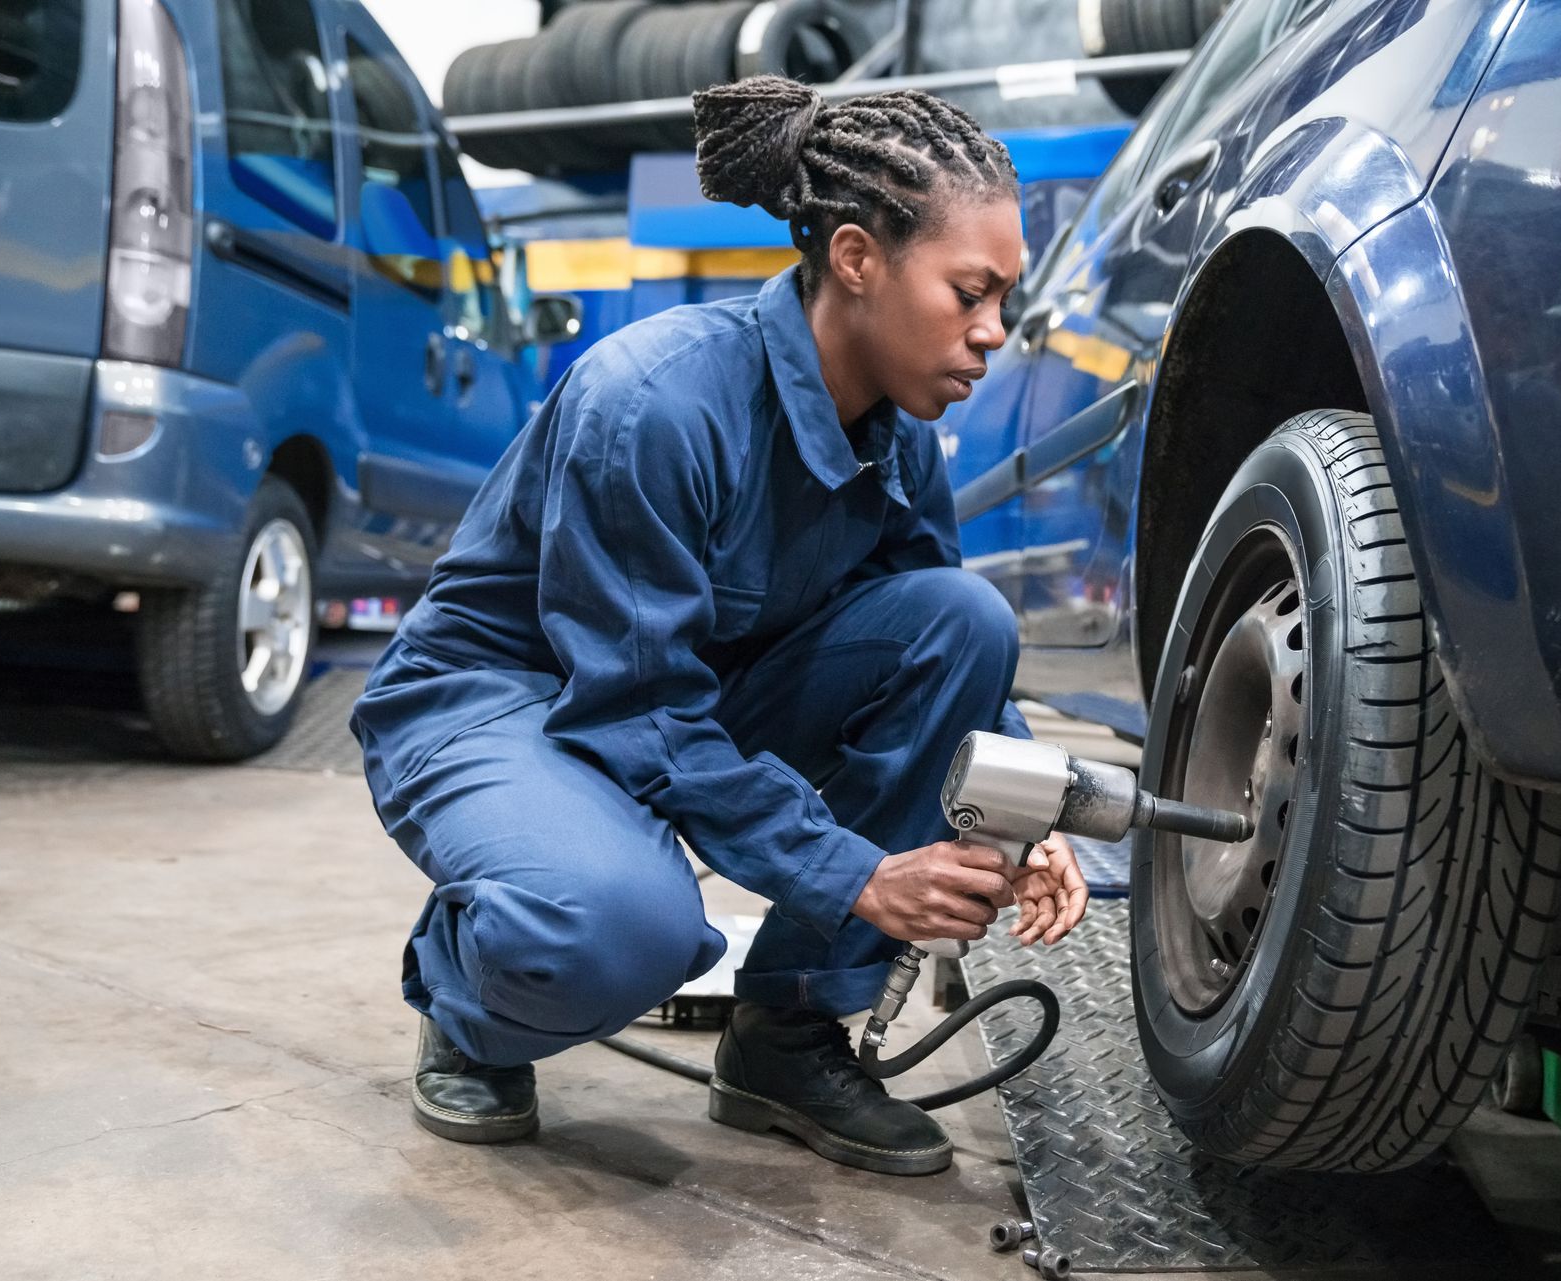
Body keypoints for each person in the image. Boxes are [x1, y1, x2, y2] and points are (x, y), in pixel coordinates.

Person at [350, 75, 1089, 1177]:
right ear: (856, 259)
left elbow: (948, 667)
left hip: (678, 693)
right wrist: (859, 876)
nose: (991, 335)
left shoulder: (898, 437)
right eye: (970, 293)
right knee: (622, 932)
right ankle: (473, 995)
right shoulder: (654, 404)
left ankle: (786, 1033)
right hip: (515, 703)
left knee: (963, 619)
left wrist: (1031, 811)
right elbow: (639, 712)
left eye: (1002, 303)